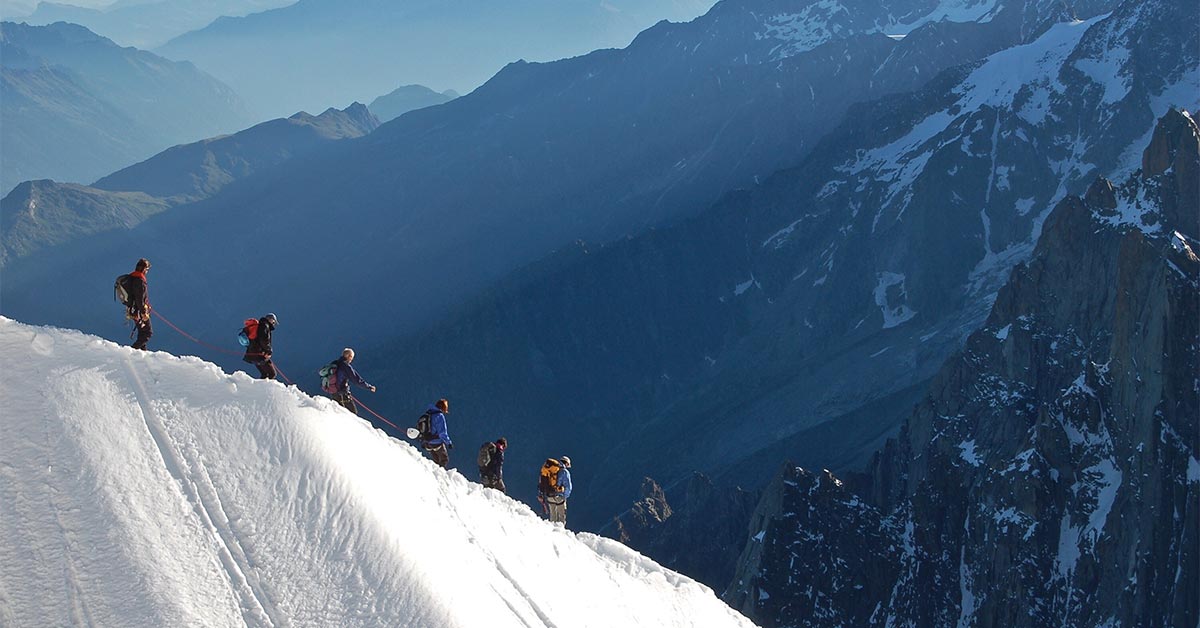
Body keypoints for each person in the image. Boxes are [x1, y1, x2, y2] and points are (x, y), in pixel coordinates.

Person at [330, 348, 376, 414]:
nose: (351, 360)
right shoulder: (346, 366)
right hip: (343, 394)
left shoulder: (335, 363)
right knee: (353, 415)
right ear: (349, 356)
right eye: (352, 357)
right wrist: (369, 387)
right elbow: (357, 381)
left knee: (339, 414)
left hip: (334, 393)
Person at [127, 258, 153, 350]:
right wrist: (143, 312)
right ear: (144, 269)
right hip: (139, 311)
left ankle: (142, 352)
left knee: (142, 332)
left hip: (133, 309)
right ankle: (133, 350)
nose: (147, 272)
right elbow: (140, 298)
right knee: (147, 332)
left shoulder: (132, 277)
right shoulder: (140, 281)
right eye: (147, 269)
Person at [242, 313, 278, 379]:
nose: (274, 323)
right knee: (272, 374)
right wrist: (269, 351)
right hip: (260, 354)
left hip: (252, 354)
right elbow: (263, 340)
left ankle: (260, 387)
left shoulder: (259, 326)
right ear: (271, 320)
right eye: (274, 321)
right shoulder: (264, 326)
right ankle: (266, 388)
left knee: (264, 374)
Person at [539, 456, 573, 525]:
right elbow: (568, 487)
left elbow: (542, 481)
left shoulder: (550, 469)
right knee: (561, 518)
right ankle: (560, 533)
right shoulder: (564, 472)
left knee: (553, 517)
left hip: (549, 495)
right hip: (559, 496)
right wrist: (564, 497)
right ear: (566, 463)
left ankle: (552, 532)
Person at [422, 398, 453, 468]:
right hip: (437, 443)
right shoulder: (439, 416)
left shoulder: (429, 413)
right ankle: (439, 476)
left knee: (435, 461)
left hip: (427, 442)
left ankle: (434, 473)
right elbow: (442, 433)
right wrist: (449, 443)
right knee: (444, 460)